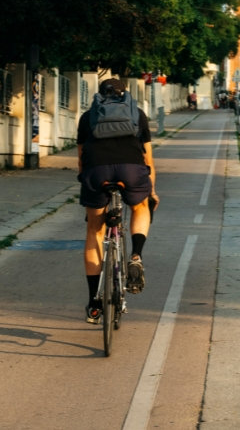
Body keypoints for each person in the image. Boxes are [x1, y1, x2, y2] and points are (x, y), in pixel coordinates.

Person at [77, 78, 159, 324]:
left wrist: (87, 181)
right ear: (125, 94)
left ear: (100, 96)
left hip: (97, 172)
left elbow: (82, 158)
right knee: (141, 207)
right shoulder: (138, 114)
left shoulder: (87, 117)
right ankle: (135, 255)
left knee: (94, 231)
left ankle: (94, 302)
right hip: (131, 170)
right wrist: (151, 191)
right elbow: (148, 159)